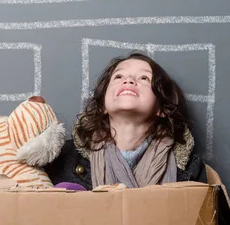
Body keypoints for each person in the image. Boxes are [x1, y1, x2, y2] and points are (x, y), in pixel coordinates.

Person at [44, 52, 206, 190]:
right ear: (103, 106)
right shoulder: (65, 158)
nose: (128, 80)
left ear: (162, 109)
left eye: (144, 78)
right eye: (119, 76)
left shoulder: (189, 169)